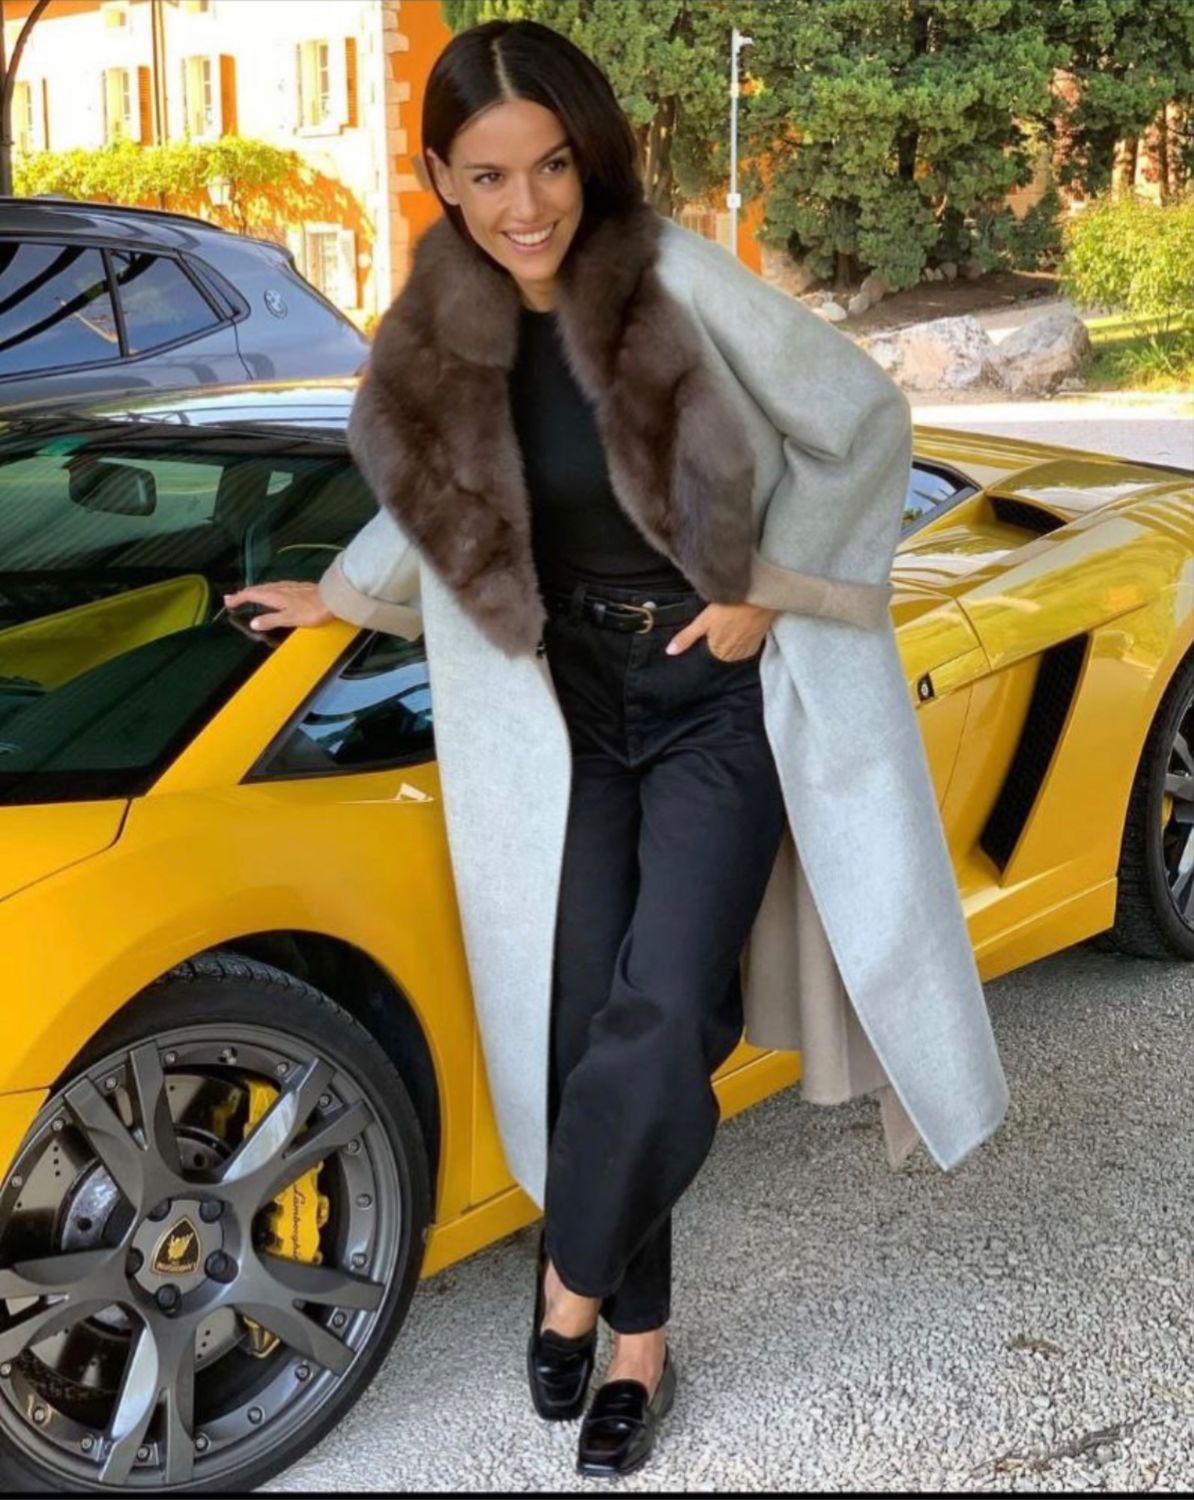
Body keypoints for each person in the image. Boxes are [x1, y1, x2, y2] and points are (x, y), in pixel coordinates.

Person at [224, 18, 1008, 1481]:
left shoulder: (673, 277)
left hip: (711, 690)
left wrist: (760, 589)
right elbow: (434, 495)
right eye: (487, 175)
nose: (525, 205)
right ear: (441, 179)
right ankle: (638, 1341)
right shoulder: (441, 324)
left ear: (587, 156)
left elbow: (862, 422)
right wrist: (340, 594)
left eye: (550, 165)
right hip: (561, 702)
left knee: (660, 1017)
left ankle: (572, 1286)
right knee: (584, 1020)